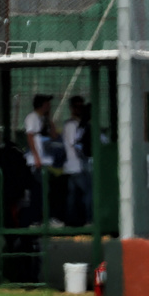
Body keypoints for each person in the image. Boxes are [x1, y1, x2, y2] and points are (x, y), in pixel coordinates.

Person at [23, 94, 57, 226]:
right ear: (41, 105)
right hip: (37, 161)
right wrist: (36, 157)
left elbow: (54, 135)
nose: (49, 106)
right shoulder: (32, 118)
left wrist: (50, 119)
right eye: (47, 104)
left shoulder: (44, 119)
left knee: (46, 189)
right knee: (39, 190)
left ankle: (43, 217)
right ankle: (38, 219)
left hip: (46, 159)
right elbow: (30, 136)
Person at [62, 96, 91, 227]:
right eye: (77, 107)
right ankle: (89, 220)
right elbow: (76, 143)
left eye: (81, 106)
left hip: (76, 166)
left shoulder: (81, 124)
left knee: (73, 195)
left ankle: (71, 221)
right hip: (75, 165)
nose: (79, 109)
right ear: (72, 108)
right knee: (87, 192)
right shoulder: (71, 125)